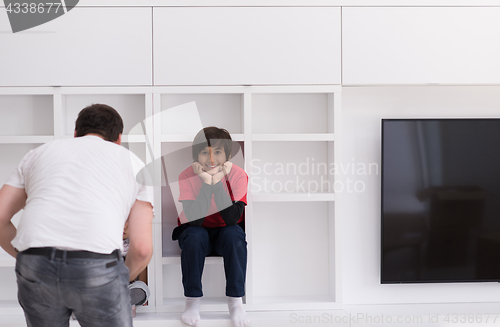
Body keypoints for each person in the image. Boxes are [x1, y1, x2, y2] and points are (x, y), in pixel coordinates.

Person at [0, 104, 154, 327]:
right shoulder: (133, 163)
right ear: (118, 138)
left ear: (75, 134)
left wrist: (31, 259)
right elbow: (142, 250)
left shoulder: (39, 154)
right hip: (97, 264)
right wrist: (118, 280)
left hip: (35, 262)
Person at [172, 127, 250, 327]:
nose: (211, 159)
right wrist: (207, 182)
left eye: (217, 152)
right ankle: (192, 302)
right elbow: (195, 219)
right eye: (205, 152)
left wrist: (218, 183)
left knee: (235, 235)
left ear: (228, 155)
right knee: (195, 236)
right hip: (196, 229)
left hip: (225, 230)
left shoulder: (239, 175)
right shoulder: (187, 175)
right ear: (196, 155)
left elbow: (232, 218)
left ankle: (235, 302)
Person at [122, 219, 150, 318]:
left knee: (142, 289)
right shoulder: (108, 244)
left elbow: (143, 269)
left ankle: (126, 304)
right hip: (108, 287)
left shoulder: (135, 245)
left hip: (129, 287)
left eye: (127, 224)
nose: (124, 227)